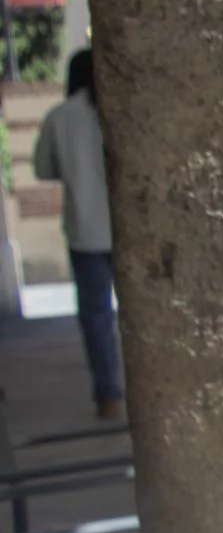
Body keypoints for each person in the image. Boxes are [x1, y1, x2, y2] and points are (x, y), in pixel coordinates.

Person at [33, 50, 121, 418]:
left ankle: (109, 395)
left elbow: (43, 168)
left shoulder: (60, 117)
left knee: (96, 315)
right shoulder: (121, 110)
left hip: (86, 232)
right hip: (127, 231)